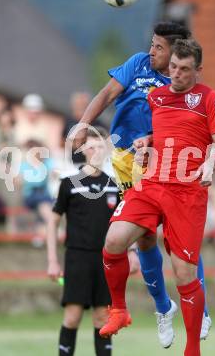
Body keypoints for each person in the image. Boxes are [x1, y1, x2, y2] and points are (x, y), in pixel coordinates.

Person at [72, 22, 212, 347]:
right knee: (145, 239)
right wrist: (83, 124)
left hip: (162, 164)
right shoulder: (138, 63)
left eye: (159, 48)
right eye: (152, 44)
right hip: (125, 159)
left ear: (176, 54)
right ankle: (163, 307)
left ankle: (199, 309)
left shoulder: (180, 86)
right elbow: (107, 94)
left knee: (181, 242)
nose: (152, 51)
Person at [99, 39, 215, 356]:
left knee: (184, 273)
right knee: (114, 241)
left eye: (184, 69)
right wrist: (149, 140)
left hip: (187, 191)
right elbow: (169, 132)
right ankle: (119, 310)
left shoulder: (210, 99)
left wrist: (211, 165)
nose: (176, 74)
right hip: (152, 183)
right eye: (173, 67)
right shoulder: (157, 97)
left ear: (197, 70)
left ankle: (192, 347)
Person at [47, 127, 131, 356]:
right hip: (77, 258)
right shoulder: (69, 183)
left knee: (102, 318)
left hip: (106, 261)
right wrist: (53, 260)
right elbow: (53, 222)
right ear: (83, 149)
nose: (95, 151)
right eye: (91, 146)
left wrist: (131, 251)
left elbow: (125, 222)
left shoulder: (115, 184)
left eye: (100, 146)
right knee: (72, 317)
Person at [62, 92, 106, 165]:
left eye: (83, 104)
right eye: (78, 104)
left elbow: (105, 138)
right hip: (74, 162)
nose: (81, 107)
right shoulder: (69, 121)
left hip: (93, 162)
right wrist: (72, 143)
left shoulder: (96, 122)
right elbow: (62, 140)